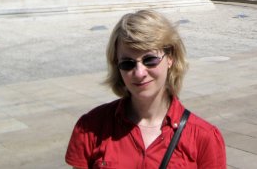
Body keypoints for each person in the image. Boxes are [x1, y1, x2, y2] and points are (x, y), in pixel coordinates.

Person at [65, 9, 226, 168]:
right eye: (127, 63)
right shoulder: (91, 128)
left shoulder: (204, 137)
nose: (139, 73)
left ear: (170, 58)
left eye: (150, 59)